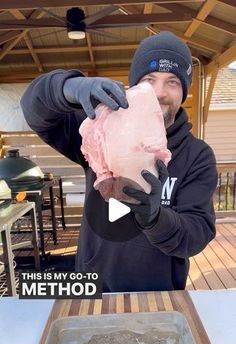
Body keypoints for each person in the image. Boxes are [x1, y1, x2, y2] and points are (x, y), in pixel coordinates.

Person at [21, 31, 218, 292]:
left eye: (172, 82)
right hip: (91, 288)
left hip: (158, 294)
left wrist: (156, 219)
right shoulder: (101, 128)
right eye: (149, 79)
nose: (160, 93)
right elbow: (34, 109)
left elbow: (197, 234)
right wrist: (71, 87)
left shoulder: (197, 155)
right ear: (135, 85)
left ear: (184, 90)